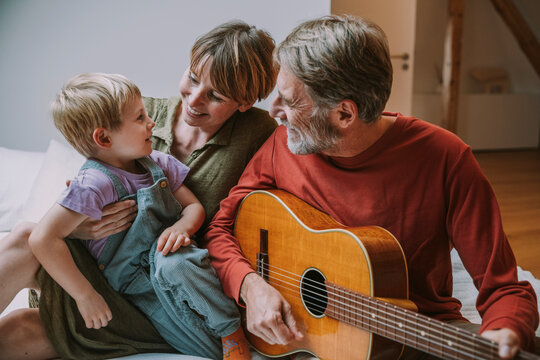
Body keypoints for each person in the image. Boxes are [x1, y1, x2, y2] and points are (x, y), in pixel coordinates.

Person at [202, 15, 540, 360]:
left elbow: (505, 288)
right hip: (309, 339)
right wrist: (251, 286)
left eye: (289, 101)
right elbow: (220, 229)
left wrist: (507, 329)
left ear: (345, 114)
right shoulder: (282, 144)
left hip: (412, 335)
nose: (274, 111)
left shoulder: (446, 159)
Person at [0, 20, 277, 360]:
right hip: (100, 277)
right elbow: (83, 193)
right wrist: (83, 226)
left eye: (216, 95)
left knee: (20, 329)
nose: (194, 98)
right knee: (25, 234)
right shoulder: (136, 113)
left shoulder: (258, 133)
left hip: (166, 289)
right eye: (192, 77)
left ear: (245, 102)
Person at [29, 72, 253, 360]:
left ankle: (230, 329)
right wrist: (85, 296)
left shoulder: (158, 163)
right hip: (135, 287)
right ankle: (216, 344)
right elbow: (43, 239)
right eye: (139, 118)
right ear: (104, 137)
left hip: (172, 258)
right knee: (201, 347)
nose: (152, 122)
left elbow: (193, 207)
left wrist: (183, 227)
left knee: (176, 264)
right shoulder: (92, 184)